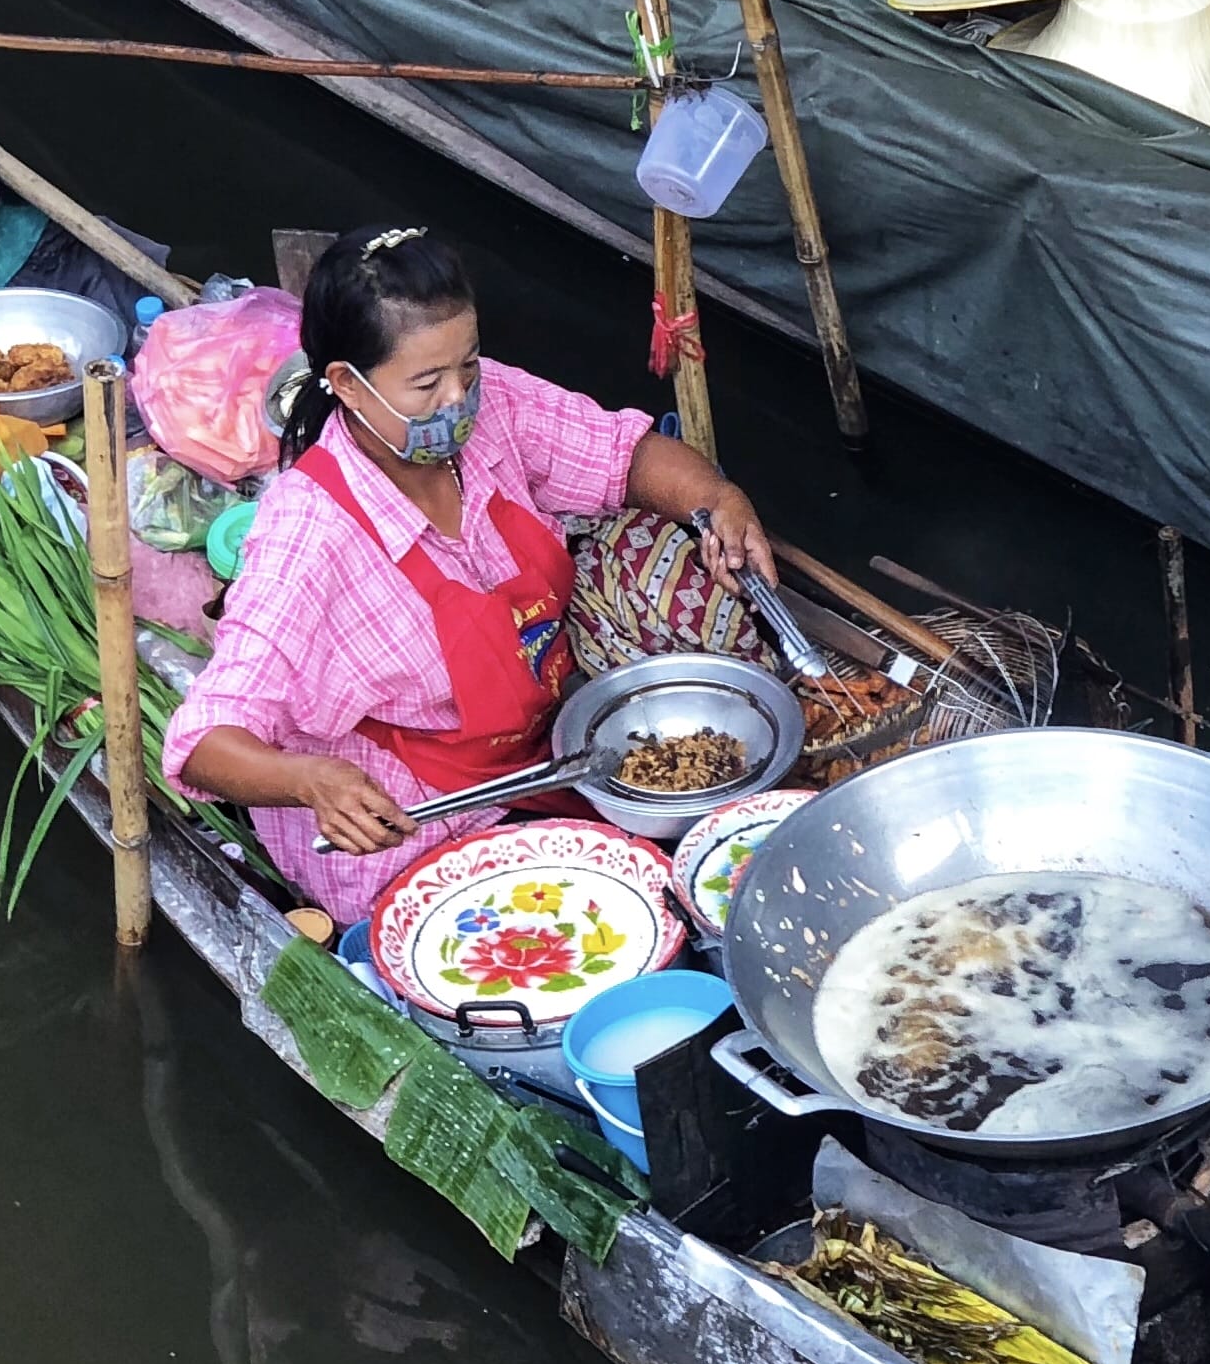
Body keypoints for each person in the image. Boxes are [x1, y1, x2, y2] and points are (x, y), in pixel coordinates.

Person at [165, 226, 777, 917]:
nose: (459, 401)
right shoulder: (305, 532)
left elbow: (622, 455)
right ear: (348, 385)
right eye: (427, 383)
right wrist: (308, 780)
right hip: (416, 813)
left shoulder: (491, 411)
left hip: (543, 748)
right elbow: (201, 742)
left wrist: (718, 501)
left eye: (469, 367)